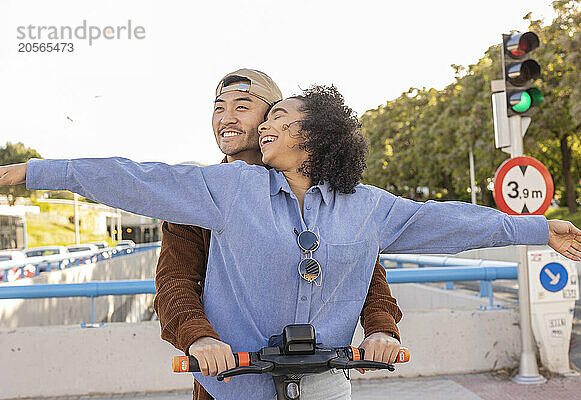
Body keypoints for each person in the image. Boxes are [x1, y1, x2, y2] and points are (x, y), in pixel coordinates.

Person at [0, 85, 581, 400]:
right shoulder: (229, 189)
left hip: (326, 380)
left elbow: (454, 223)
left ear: (313, 135)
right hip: (234, 381)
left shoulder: (371, 209)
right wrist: (35, 172)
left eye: (277, 116)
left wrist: (540, 228)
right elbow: (136, 177)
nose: (262, 125)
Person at [153, 69, 403, 400]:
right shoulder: (199, 195)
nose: (226, 118)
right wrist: (199, 337)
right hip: (232, 381)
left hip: (317, 378)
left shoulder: (316, 192)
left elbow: (361, 269)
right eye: (218, 108)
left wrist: (381, 329)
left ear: (272, 118)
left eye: (243, 107)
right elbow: (175, 282)